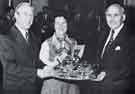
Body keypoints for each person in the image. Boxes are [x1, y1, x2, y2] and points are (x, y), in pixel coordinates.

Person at [0, 2, 41, 94]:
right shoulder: (5, 37)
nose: (29, 18)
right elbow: (9, 67)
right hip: (16, 89)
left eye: (31, 15)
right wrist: (36, 73)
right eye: (25, 14)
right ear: (16, 15)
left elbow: (35, 61)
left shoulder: (33, 36)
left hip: (31, 87)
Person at [97, 3, 133, 94]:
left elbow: (129, 69)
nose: (112, 19)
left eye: (116, 15)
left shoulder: (131, 38)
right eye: (109, 15)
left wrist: (106, 73)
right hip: (101, 88)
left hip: (119, 89)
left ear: (123, 17)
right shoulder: (103, 34)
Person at [39, 15, 80, 94]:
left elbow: (75, 63)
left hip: (71, 85)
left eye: (64, 23)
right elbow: (43, 67)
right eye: (57, 23)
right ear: (53, 25)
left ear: (67, 25)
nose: (61, 26)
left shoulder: (74, 42)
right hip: (53, 85)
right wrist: (58, 61)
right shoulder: (46, 43)